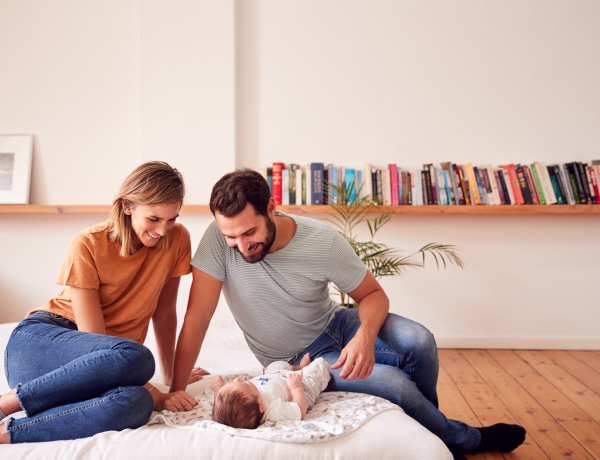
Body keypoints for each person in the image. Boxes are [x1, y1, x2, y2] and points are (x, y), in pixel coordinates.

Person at [171, 169, 526, 459]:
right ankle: (464, 439)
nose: (241, 245)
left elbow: (372, 295)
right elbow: (197, 319)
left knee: (421, 340)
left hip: (337, 322)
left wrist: (364, 338)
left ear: (271, 208)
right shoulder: (218, 241)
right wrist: (175, 386)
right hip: (301, 359)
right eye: (231, 236)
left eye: (249, 232)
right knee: (393, 383)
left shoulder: (321, 241)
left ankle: (435, 436)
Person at [0, 161, 206, 444]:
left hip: (108, 365)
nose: (163, 230)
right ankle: (6, 404)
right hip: (41, 345)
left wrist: (170, 379)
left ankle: (9, 435)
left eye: (171, 219)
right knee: (138, 358)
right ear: (127, 206)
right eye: (154, 219)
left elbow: (166, 312)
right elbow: (94, 339)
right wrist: (153, 387)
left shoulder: (177, 238)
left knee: (136, 404)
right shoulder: (88, 243)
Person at [211, 354, 330, 429]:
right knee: (319, 368)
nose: (237, 379)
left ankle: (300, 367)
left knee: (276, 365)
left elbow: (224, 405)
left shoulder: (242, 400)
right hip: (300, 386)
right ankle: (312, 371)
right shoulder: (273, 410)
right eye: (246, 383)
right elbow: (300, 410)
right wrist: (296, 388)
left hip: (273, 375)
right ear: (261, 408)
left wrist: (218, 391)